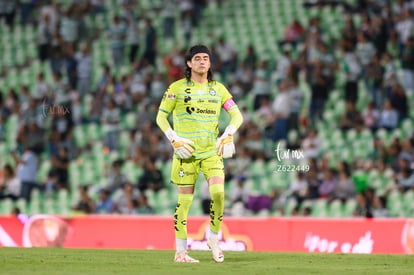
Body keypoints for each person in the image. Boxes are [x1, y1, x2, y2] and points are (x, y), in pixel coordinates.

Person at [156, 45, 243, 263]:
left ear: (210, 63)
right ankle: (181, 252)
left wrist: (229, 133)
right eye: (197, 58)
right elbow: (160, 117)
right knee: (184, 202)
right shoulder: (176, 88)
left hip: (211, 152)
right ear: (189, 63)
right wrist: (173, 139)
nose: (202, 61)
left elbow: (237, 116)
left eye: (206, 58)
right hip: (186, 154)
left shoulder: (219, 89)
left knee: (219, 195)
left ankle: (213, 238)